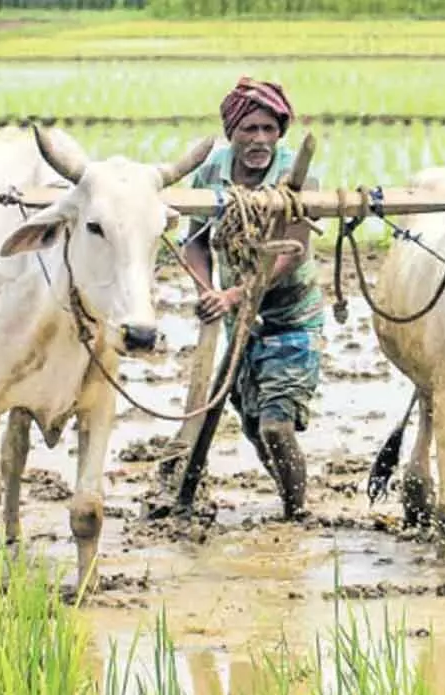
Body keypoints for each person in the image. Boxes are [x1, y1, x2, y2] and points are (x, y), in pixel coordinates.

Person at [179, 76, 324, 522]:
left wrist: (236, 294)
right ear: (232, 133)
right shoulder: (210, 174)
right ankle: (288, 496)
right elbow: (196, 243)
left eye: (269, 129)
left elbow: (293, 249)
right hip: (237, 322)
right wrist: (209, 292)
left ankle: (298, 516)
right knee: (255, 430)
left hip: (292, 320)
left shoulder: (298, 178)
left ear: (280, 132)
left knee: (276, 425)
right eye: (250, 129)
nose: (260, 139)